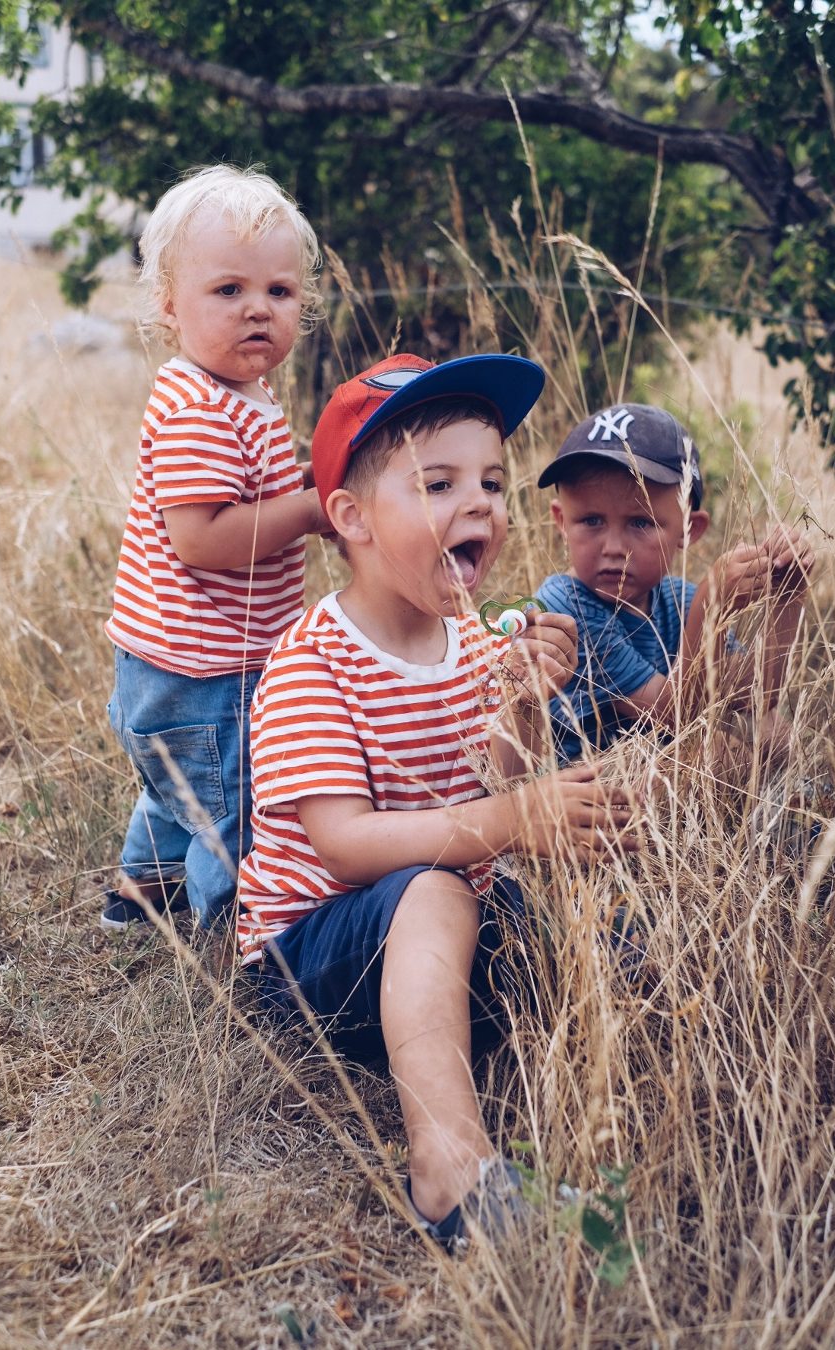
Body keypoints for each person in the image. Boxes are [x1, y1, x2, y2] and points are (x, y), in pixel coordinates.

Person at [237, 353, 639, 1247]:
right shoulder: (311, 663)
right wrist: (511, 822)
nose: (480, 504)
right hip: (316, 957)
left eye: (492, 482)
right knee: (432, 891)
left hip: (446, 925)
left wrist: (523, 705)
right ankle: (449, 1173)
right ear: (352, 518)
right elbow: (344, 846)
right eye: (438, 484)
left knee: (598, 925)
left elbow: (495, 775)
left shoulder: (475, 639)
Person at [101, 165, 328, 933]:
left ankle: (141, 892)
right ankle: (234, 929)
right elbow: (200, 538)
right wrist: (308, 511)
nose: (258, 309)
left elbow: (248, 493)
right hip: (204, 672)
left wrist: (305, 485)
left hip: (165, 663)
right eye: (229, 290)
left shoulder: (239, 394)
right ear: (169, 304)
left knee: (177, 788)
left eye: (280, 291)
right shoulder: (201, 409)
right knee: (233, 802)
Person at [536, 403, 814, 761]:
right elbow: (673, 714)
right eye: (591, 520)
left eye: (640, 522)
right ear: (561, 521)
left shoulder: (679, 598)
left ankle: (798, 795)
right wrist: (711, 608)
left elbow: (757, 695)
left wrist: (788, 594)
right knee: (720, 754)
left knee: (775, 731)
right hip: (588, 776)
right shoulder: (565, 606)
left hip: (656, 762)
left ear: (689, 529)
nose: (613, 547)